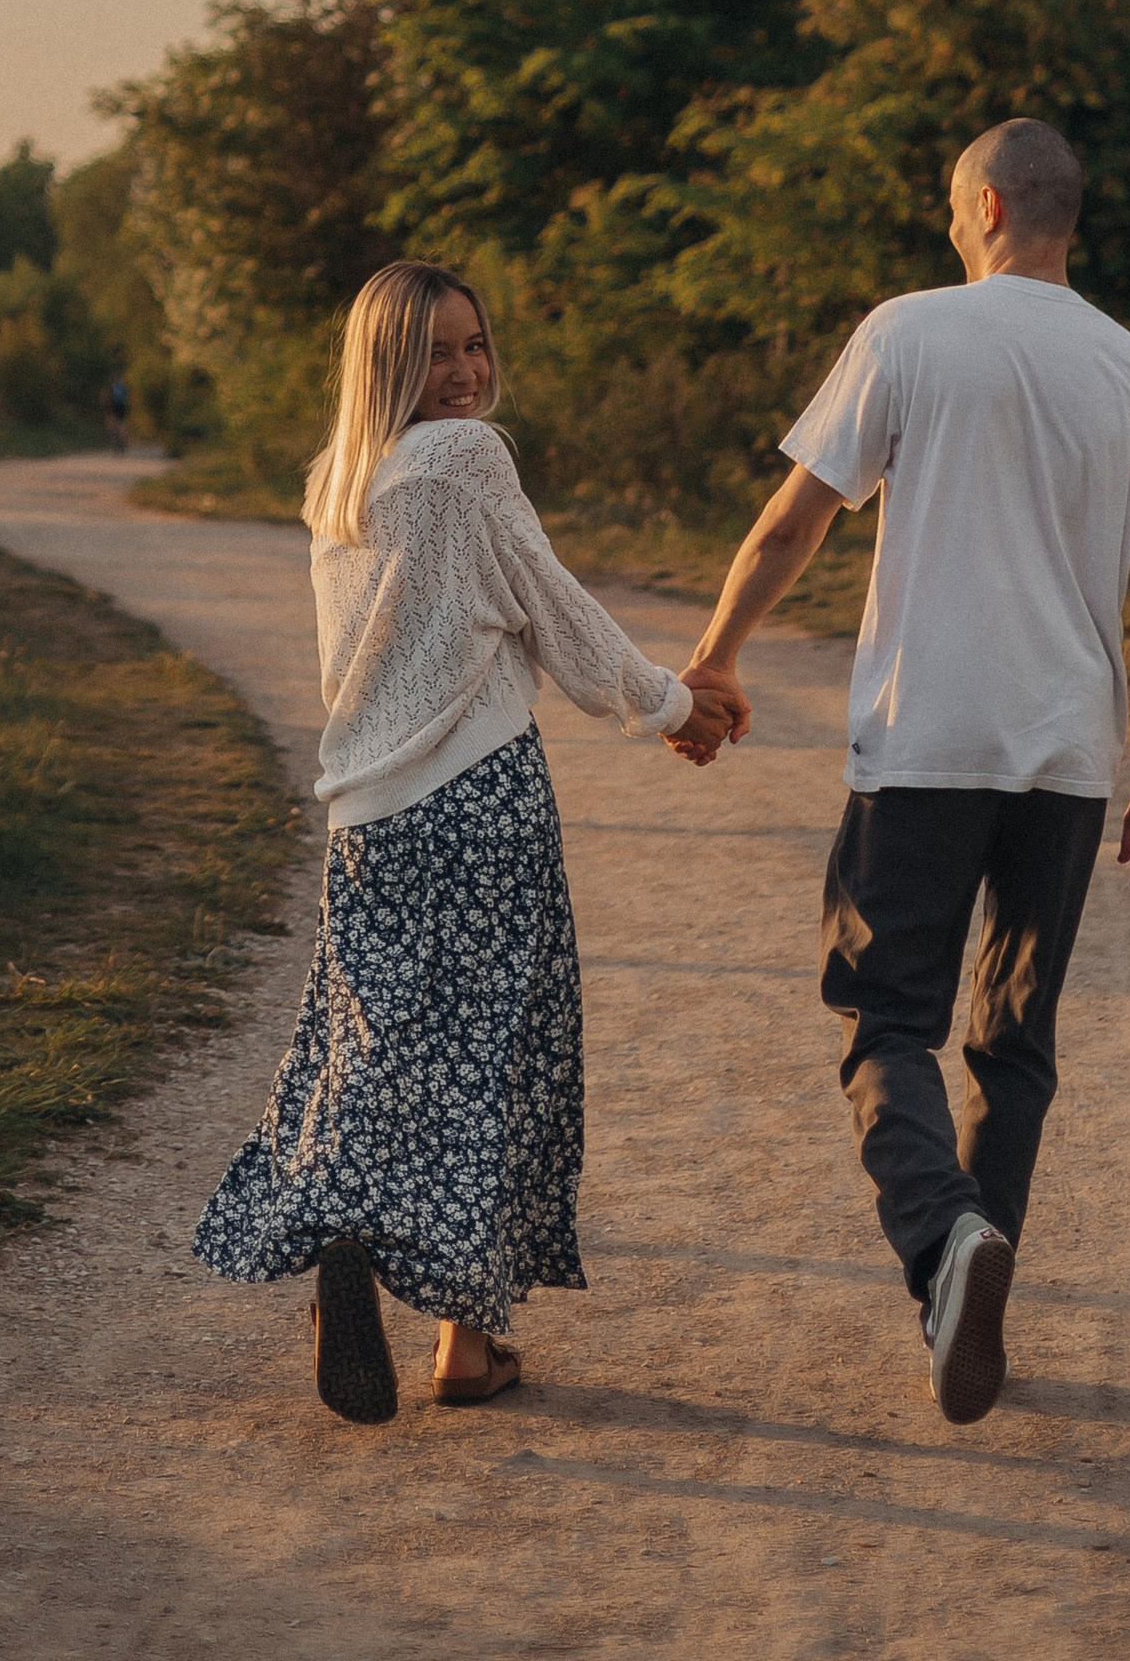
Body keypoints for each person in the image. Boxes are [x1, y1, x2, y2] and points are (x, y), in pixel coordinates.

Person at [679, 118, 1130, 1426]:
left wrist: (712, 662)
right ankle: (980, 1293)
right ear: (1062, 216)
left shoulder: (909, 332)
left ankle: (944, 1245)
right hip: (1067, 758)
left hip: (925, 744)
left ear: (983, 204)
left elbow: (795, 519)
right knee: (1014, 1043)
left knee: (884, 1020)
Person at [194, 258, 735, 1422]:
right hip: (480, 799)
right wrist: (673, 705)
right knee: (494, 1056)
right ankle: (464, 1340)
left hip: (366, 817)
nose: (467, 369)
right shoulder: (465, 457)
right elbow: (554, 604)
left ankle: (349, 1228)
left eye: (476, 343)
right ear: (387, 362)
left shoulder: (342, 477)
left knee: (377, 1047)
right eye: (437, 350)